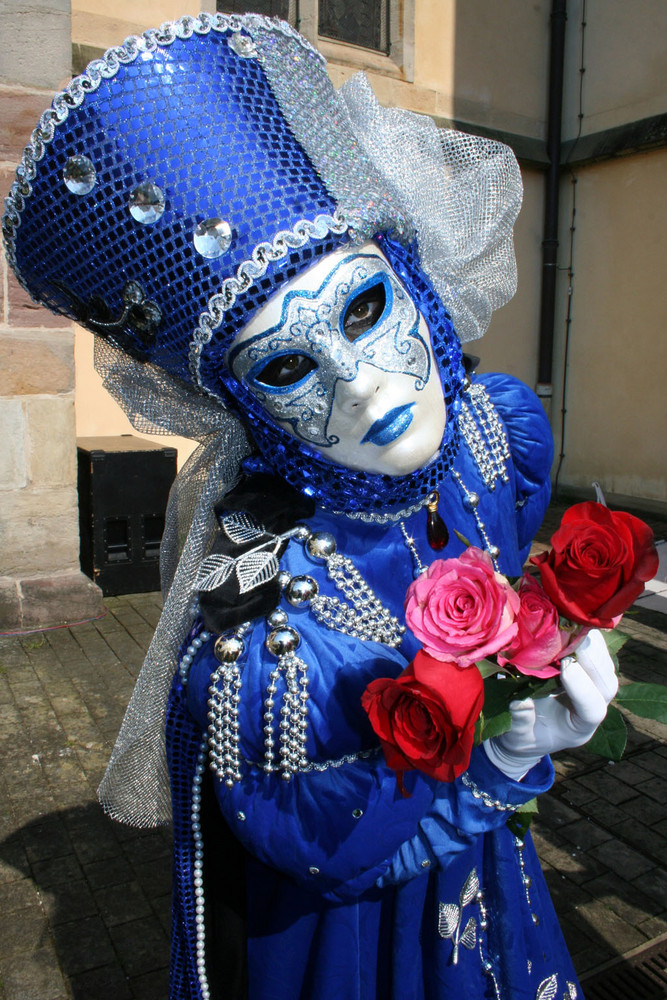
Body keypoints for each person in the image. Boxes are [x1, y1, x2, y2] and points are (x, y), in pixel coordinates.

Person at [3, 13, 616, 999]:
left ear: (412, 277)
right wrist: (505, 750)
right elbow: (322, 851)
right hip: (364, 944)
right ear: (246, 403)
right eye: (289, 366)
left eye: (365, 306)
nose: (369, 388)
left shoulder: (492, 443)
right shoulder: (269, 634)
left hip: (491, 886)